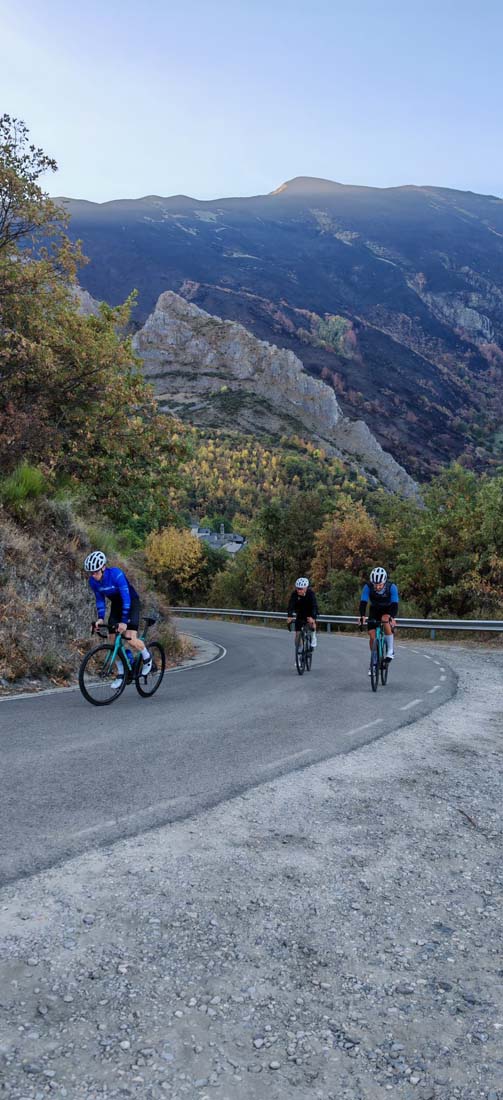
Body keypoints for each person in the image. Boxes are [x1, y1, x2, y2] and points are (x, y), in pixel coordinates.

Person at [83, 551, 152, 688]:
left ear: (103, 568)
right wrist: (100, 619)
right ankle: (122, 672)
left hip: (131, 602)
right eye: (91, 573)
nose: (93, 575)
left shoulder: (116, 574)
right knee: (113, 640)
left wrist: (124, 621)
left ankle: (147, 657)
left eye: (95, 572)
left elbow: (126, 598)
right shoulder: (93, 582)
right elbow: (100, 600)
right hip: (116, 605)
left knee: (130, 638)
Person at [359, 566, 398, 671]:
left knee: (385, 619)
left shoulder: (392, 587)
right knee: (372, 636)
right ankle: (374, 660)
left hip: (388, 609)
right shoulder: (368, 587)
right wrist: (362, 616)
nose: (378, 587)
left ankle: (390, 650)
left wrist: (392, 617)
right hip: (375, 610)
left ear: (384, 582)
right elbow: (363, 602)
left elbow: (395, 604)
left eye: (380, 585)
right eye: (375, 585)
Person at [287, 576, 318, 648]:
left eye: (301, 589)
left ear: (306, 588)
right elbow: (290, 605)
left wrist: (313, 618)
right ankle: (299, 649)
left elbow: (314, 606)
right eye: (297, 588)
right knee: (297, 635)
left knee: (312, 623)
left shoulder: (311, 594)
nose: (299, 590)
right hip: (300, 613)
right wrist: (290, 616)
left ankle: (313, 637)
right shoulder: (294, 594)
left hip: (310, 612)